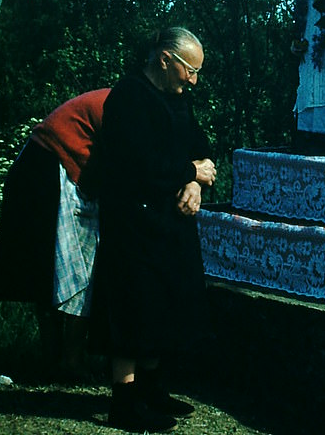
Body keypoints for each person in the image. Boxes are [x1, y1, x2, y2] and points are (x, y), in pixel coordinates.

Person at [92, 26, 216, 433]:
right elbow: (137, 164)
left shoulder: (178, 100)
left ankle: (151, 388)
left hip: (170, 220)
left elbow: (200, 149)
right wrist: (188, 172)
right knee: (133, 306)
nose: (193, 80)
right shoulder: (128, 97)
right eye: (189, 70)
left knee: (166, 302)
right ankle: (124, 401)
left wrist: (195, 183)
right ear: (164, 60)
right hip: (134, 221)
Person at [0, 87, 109, 377]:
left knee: (58, 270)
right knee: (74, 268)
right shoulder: (124, 105)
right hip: (49, 170)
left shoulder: (120, 101)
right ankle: (66, 360)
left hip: (41, 166)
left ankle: (60, 358)